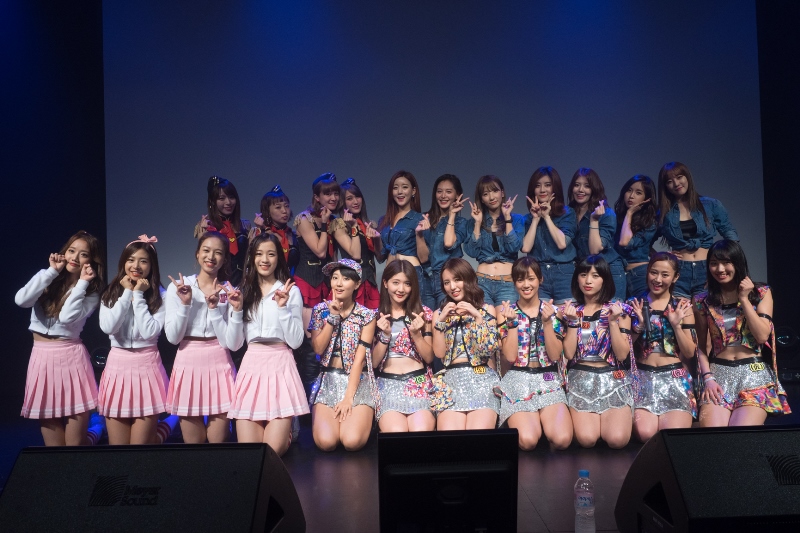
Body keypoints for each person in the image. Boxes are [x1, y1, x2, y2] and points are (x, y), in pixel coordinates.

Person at [16, 231, 105, 446]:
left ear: (91, 261)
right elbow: (22, 300)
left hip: (71, 357)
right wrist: (51, 272)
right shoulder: (47, 276)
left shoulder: (91, 292)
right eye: (71, 251)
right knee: (54, 448)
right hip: (42, 357)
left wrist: (82, 283)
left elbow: (66, 318)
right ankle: (97, 428)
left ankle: (97, 429)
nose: (75, 258)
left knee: (75, 444)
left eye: (83, 254)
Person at [228, 233, 309, 456]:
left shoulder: (290, 291)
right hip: (252, 366)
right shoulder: (243, 292)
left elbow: (295, 341)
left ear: (278, 258)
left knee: (271, 451)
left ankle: (289, 431)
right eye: (259, 254)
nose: (265, 260)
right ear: (252, 258)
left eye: (271, 254)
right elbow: (234, 344)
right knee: (251, 452)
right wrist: (236, 311)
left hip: (280, 364)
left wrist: (282, 308)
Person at [693, 240, 790, 426]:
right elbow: (701, 347)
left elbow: (762, 336)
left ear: (737, 263)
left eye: (726, 262)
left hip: (753, 374)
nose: (720, 269)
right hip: (718, 376)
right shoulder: (702, 300)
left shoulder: (761, 292)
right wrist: (708, 378)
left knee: (741, 434)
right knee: (712, 435)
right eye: (714, 263)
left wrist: (744, 299)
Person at [165, 231, 244, 443]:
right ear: (197, 254)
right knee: (194, 444)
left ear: (225, 258)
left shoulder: (230, 291)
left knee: (218, 441)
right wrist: (185, 304)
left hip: (219, 361)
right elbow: (173, 338)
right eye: (206, 250)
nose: (211, 257)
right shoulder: (179, 287)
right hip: (188, 361)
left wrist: (234, 310)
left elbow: (233, 344)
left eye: (218, 252)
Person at [98, 235, 170, 445]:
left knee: (141, 447)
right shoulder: (111, 292)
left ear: (151, 266)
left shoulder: (162, 295)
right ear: (123, 262)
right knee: (118, 448)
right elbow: (108, 327)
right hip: (117, 366)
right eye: (131, 259)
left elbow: (149, 332)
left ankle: (171, 422)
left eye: (143, 261)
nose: (136, 266)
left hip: (147, 366)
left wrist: (138, 296)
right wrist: (126, 294)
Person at [496, 257, 573, 450]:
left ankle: (544, 423)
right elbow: (510, 357)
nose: (526, 285)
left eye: (531, 278)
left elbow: (555, 356)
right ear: (514, 282)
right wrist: (512, 324)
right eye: (520, 279)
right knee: (528, 440)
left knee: (562, 440)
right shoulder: (506, 312)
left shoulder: (554, 312)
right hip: (518, 379)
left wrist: (547, 323)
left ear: (540, 279)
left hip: (548, 379)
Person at [562, 255, 634, 449]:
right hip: (580, 379)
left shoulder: (619, 310)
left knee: (617, 440)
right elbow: (569, 354)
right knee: (587, 439)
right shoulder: (569, 311)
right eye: (583, 275)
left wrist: (613, 323)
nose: (588, 281)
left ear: (605, 279)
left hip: (613, 380)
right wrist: (572, 323)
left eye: (595, 276)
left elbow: (622, 355)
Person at [627, 252, 697, 442]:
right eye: (653, 272)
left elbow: (690, 352)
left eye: (665, 275)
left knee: (672, 437)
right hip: (641, 378)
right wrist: (638, 327)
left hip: (674, 379)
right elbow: (623, 350)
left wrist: (676, 326)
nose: (657, 280)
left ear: (675, 277)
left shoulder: (682, 306)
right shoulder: (633, 305)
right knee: (646, 435)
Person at [308, 259, 377, 451]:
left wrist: (348, 398)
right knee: (326, 442)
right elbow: (318, 349)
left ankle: (365, 418)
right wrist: (332, 318)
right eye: (335, 278)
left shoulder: (366, 315)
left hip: (357, 381)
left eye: (345, 279)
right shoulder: (320, 310)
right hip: (328, 380)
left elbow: (360, 359)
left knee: (351, 441)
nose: (338, 283)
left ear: (357, 284)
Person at [431, 258, 501, 430]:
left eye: (457, 280)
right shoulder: (439, 314)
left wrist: (476, 316)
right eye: (447, 282)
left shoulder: (487, 310)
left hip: (481, 378)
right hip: (451, 381)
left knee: (477, 434)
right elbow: (439, 354)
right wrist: (441, 321)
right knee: (451, 436)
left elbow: (488, 349)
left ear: (468, 279)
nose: (452, 287)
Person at [657, 161, 738, 298]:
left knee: (705, 310)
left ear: (687, 177)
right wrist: (663, 255)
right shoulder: (664, 212)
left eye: (679, 177)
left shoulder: (711, 204)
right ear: (665, 186)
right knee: (680, 311)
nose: (676, 183)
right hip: (679, 271)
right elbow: (645, 242)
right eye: (669, 181)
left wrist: (726, 260)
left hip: (707, 269)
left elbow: (729, 233)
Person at [372, 260, 435, 432]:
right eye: (396, 283)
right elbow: (374, 363)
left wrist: (416, 335)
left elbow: (429, 357)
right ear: (385, 283)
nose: (401, 289)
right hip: (388, 385)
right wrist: (384, 336)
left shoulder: (424, 313)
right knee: (396, 433)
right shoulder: (375, 317)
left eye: (407, 284)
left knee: (421, 432)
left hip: (419, 382)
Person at [293, 172, 341, 395]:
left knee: (328, 340)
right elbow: (320, 251)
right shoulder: (304, 219)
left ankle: (324, 394)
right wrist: (323, 225)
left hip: (325, 284)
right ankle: (307, 401)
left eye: (335, 193)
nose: (333, 197)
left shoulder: (334, 219)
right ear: (316, 196)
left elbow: (332, 257)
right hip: (308, 284)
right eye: (327, 193)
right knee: (311, 345)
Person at [463, 175, 524, 306]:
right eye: (485, 194)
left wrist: (507, 218)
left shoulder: (517, 219)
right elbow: (472, 252)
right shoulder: (473, 222)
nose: (491, 197)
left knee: (506, 318)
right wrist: (478, 223)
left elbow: (514, 247)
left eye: (495, 191)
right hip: (482, 282)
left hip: (507, 282)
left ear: (502, 193)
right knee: (484, 319)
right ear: (482, 199)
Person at [521, 166, 577, 304]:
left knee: (567, 314)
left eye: (547, 185)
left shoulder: (567, 213)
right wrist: (535, 219)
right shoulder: (528, 218)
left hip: (564, 273)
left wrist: (546, 217)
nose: (542, 190)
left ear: (554, 187)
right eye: (537, 186)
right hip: (538, 274)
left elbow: (562, 243)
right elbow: (526, 248)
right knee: (541, 315)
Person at [567, 168, 625, 300]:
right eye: (577, 185)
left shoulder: (606, 214)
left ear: (594, 189)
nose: (580, 190)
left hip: (609, 270)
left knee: (611, 311)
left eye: (587, 186)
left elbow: (595, 250)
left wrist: (594, 220)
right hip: (585, 272)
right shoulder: (569, 213)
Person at [377, 170, 431, 305]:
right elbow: (380, 257)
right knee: (389, 314)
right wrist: (376, 238)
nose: (400, 192)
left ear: (413, 191)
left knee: (414, 314)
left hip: (411, 274)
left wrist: (419, 234)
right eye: (395, 188)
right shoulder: (384, 220)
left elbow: (424, 258)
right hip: (390, 275)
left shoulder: (419, 219)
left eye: (405, 187)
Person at [331, 178, 382, 309]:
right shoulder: (339, 224)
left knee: (373, 318)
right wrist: (353, 227)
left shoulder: (366, 224)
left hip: (370, 281)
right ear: (342, 202)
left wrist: (377, 238)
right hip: (352, 281)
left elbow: (379, 257)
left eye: (357, 197)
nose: (355, 201)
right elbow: (356, 255)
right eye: (349, 198)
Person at [422, 174, 470, 308]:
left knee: (446, 316)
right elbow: (423, 258)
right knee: (426, 318)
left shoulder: (461, 222)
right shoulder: (425, 218)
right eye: (439, 191)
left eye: (448, 192)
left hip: (448, 279)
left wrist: (452, 215)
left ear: (457, 195)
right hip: (425, 278)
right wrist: (419, 233)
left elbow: (449, 243)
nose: (443, 196)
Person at [194, 176, 251, 286]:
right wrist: (205, 233)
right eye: (221, 198)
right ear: (212, 201)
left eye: (231, 197)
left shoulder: (245, 225)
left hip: (243, 285)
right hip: (216, 285)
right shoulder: (206, 225)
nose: (228, 202)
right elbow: (204, 259)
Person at [613, 175, 658, 298]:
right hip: (619, 274)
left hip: (640, 274)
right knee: (618, 308)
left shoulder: (650, 222)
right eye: (629, 190)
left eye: (638, 192)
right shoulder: (615, 218)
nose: (631, 196)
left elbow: (625, 242)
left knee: (642, 308)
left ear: (647, 198)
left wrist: (630, 213)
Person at [251, 185, 299, 274]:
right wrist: (263, 229)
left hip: (291, 280)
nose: (284, 211)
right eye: (278, 207)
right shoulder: (259, 233)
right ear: (267, 211)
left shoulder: (294, 235)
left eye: (286, 206)